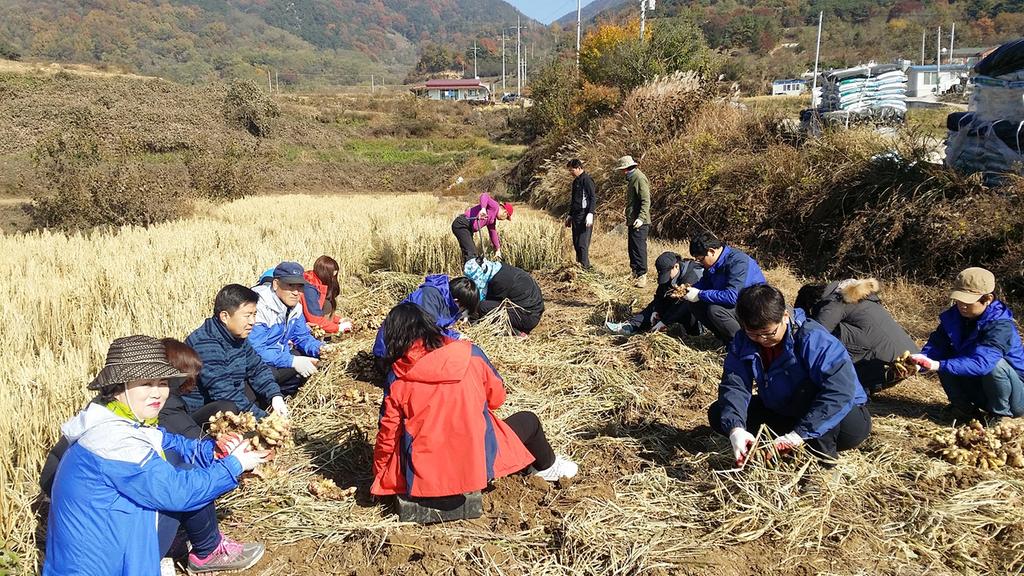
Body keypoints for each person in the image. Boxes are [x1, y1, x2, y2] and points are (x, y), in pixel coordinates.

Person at [42, 335, 268, 576]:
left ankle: (182, 547)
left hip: (111, 543)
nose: (158, 393)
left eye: (162, 383)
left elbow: (169, 441)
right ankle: (204, 551)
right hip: (101, 567)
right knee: (185, 482)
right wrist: (234, 465)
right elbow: (179, 492)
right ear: (119, 387)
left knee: (179, 465)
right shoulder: (113, 440)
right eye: (146, 384)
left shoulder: (118, 418)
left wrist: (213, 450)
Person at [371, 304, 577, 500]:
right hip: (475, 468)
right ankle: (548, 466)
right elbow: (497, 399)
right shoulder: (471, 354)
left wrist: (380, 475)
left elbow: (388, 433)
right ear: (429, 326)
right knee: (529, 421)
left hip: (422, 478)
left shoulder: (397, 377)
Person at [708, 285, 871, 464]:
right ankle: (777, 445)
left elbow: (840, 392)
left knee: (809, 391)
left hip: (844, 421)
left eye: (768, 333)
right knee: (719, 414)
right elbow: (735, 383)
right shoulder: (743, 340)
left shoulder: (813, 338)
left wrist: (798, 435)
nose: (762, 340)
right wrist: (736, 429)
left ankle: (824, 462)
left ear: (785, 316)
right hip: (786, 410)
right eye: (753, 334)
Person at [912, 267, 1024, 423]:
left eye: (969, 301)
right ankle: (963, 409)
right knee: (945, 357)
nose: (962, 305)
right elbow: (936, 345)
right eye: (959, 300)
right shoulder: (954, 317)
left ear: (988, 299)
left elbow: (983, 363)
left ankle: (1001, 416)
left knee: (995, 364)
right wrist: (919, 363)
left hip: (1014, 396)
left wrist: (937, 365)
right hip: (979, 385)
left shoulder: (1000, 326)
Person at [795, 278, 919, 394]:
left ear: (813, 303)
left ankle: (850, 384)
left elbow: (816, 337)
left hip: (882, 363)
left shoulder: (835, 302)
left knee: (823, 341)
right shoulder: (862, 297)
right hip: (908, 361)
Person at [183, 284, 289, 419]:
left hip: (231, 392)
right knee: (229, 406)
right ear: (225, 316)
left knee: (271, 374)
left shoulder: (237, 335)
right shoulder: (206, 343)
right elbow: (223, 392)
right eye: (247, 315)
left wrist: (275, 396)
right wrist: (263, 419)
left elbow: (257, 368)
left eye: (254, 314)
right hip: (204, 409)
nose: (253, 321)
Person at [250, 261, 332, 396]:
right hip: (261, 363)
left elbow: (302, 337)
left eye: (300, 287)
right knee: (273, 373)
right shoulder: (258, 307)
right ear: (276, 284)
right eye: (290, 286)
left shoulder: (295, 308)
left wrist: (321, 349)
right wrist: (292, 361)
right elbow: (256, 351)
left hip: (280, 355)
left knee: (308, 359)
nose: (296, 292)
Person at [685, 232, 766, 344]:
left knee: (715, 310)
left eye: (701, 259)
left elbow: (733, 296)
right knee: (695, 304)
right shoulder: (713, 265)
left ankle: (742, 343)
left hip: (752, 308)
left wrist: (700, 294)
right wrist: (687, 291)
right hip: (734, 306)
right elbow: (704, 283)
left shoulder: (738, 261)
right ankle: (725, 339)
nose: (700, 263)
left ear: (711, 251)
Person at [372, 274, 480, 358]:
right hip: (390, 353)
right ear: (457, 301)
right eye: (463, 308)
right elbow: (429, 331)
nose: (462, 312)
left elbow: (435, 328)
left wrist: (458, 337)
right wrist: (455, 338)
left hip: (406, 344)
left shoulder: (442, 298)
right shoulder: (430, 297)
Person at [606, 251, 703, 335]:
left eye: (666, 274)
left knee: (686, 306)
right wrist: (656, 310)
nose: (666, 278)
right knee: (655, 305)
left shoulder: (693, 275)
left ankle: (692, 333)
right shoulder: (670, 275)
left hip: (693, 310)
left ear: (676, 266)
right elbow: (660, 296)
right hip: (674, 306)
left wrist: (664, 322)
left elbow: (683, 305)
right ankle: (631, 325)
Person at [465, 258, 545, 335]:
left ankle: (513, 331)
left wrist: (470, 314)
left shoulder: (499, 282)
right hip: (534, 309)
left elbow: (485, 303)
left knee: (483, 307)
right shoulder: (498, 269)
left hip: (528, 317)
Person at [615, 155, 650, 287]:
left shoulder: (639, 178)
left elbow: (646, 200)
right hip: (633, 220)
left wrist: (641, 218)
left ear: (626, 168)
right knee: (632, 248)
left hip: (640, 221)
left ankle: (642, 275)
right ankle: (635, 272)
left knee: (639, 248)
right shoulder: (632, 178)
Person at [451, 192, 513, 263]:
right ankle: (471, 272)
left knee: (469, 252)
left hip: (468, 228)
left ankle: (468, 271)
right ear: (505, 212)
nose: (504, 219)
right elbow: (485, 195)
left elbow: (493, 233)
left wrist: (498, 249)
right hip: (462, 224)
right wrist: (483, 209)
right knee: (471, 252)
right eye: (506, 218)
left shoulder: (492, 220)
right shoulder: (495, 206)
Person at [300, 255, 353, 335]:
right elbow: (315, 319)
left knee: (327, 304)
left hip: (311, 324)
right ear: (326, 273)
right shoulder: (309, 289)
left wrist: (339, 320)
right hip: (303, 327)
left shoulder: (317, 282)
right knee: (327, 304)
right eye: (333, 274)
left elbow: (318, 310)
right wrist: (338, 328)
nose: (334, 278)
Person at [567, 159, 596, 269]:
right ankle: (579, 265)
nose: (571, 172)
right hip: (576, 215)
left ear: (579, 168)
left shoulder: (587, 180)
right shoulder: (575, 182)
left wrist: (590, 213)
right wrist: (570, 215)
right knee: (576, 242)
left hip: (585, 215)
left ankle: (585, 267)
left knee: (582, 243)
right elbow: (573, 200)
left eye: (572, 170)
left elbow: (593, 197)